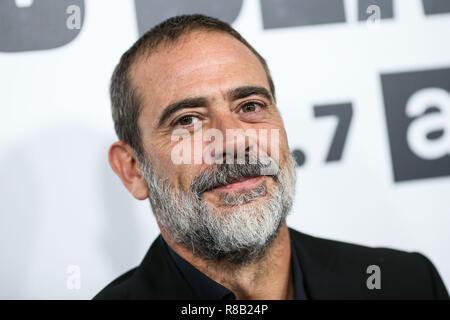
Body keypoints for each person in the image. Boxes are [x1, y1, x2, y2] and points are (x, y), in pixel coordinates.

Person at [94, 14, 448, 300]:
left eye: (250, 106)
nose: (234, 140)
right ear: (133, 170)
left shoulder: (408, 284)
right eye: (187, 120)